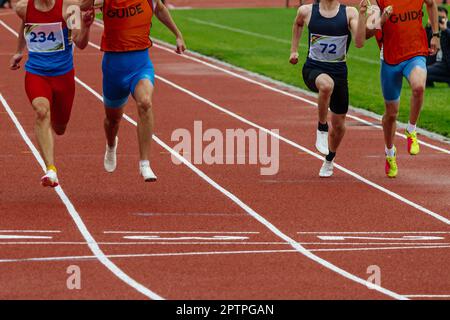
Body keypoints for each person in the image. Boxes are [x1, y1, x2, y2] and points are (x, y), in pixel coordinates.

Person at [98, 0, 185, 182]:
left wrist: (178, 34)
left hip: (140, 64)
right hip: (113, 68)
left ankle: (144, 164)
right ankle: (111, 145)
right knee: (113, 120)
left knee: (145, 103)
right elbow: (76, 5)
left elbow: (160, 9)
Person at [9, 0, 94, 187]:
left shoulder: (69, 8)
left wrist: (86, 27)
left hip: (63, 75)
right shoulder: (23, 7)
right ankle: (50, 169)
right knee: (41, 111)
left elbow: (80, 43)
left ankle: (54, 133)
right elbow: (26, 25)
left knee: (60, 128)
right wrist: (18, 51)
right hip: (36, 72)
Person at [360, 0, 440, 178]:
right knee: (391, 114)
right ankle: (390, 153)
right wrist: (382, 19)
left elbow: (432, 4)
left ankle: (411, 130)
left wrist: (435, 34)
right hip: (390, 60)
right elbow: (365, 34)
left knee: (419, 87)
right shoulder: (378, 2)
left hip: (415, 53)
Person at [289, 0, 367, 177]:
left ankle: (329, 159)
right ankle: (321, 127)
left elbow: (360, 42)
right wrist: (294, 50)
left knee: (339, 126)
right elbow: (298, 23)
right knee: (326, 85)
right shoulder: (306, 11)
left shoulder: (349, 13)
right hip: (313, 69)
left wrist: (362, 15)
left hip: (339, 71)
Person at [426, 6, 450, 86]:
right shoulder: (432, 29)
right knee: (422, 73)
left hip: (447, 63)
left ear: (447, 18)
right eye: (438, 17)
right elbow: (424, 42)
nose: (440, 19)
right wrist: (429, 27)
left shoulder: (448, 26)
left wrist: (445, 29)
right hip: (440, 64)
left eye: (443, 17)